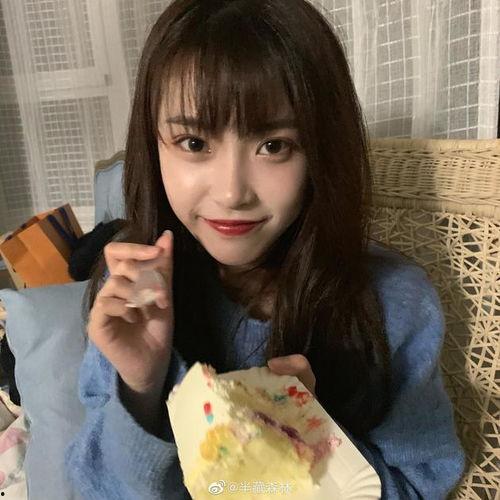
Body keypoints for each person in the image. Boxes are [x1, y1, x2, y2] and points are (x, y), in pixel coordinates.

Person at [64, 0, 465, 498]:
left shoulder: (392, 302)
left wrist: (312, 442)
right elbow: (95, 490)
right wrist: (141, 387)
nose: (232, 192)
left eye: (274, 145)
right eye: (194, 143)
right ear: (153, 145)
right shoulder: (134, 291)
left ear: (321, 150)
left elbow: (421, 484)